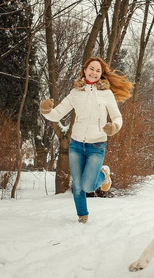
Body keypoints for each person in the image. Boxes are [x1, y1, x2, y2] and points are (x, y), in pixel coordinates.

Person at [40, 56, 133, 224]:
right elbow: (58, 113)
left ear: (101, 74)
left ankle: (104, 175)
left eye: (98, 71)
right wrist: (46, 111)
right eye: (91, 69)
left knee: (88, 186)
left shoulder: (106, 94)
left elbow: (117, 116)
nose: (94, 72)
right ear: (84, 70)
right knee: (77, 185)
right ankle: (82, 216)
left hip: (96, 145)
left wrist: (114, 127)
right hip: (76, 145)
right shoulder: (76, 93)